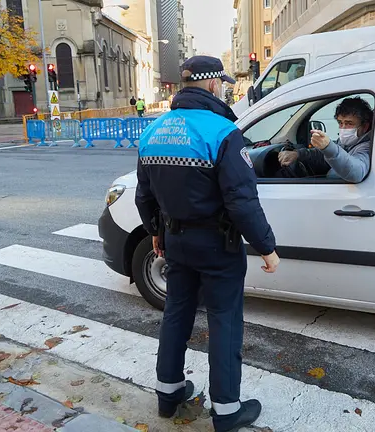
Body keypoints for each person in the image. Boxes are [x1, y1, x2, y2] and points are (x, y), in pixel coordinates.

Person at [135, 55, 280, 432]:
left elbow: (144, 194)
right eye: (223, 84)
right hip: (218, 246)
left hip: (175, 241)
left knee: (176, 315)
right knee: (224, 321)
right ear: (214, 84)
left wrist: (155, 230)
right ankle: (228, 411)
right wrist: (266, 246)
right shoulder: (222, 132)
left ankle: (168, 394)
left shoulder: (154, 131)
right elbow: (241, 198)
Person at [277, 96, 373, 182]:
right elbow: (324, 156)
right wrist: (298, 154)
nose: (343, 128)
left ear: (365, 126)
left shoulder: (367, 147)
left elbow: (356, 173)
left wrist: (328, 147)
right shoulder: (350, 143)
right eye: (340, 122)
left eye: (349, 123)